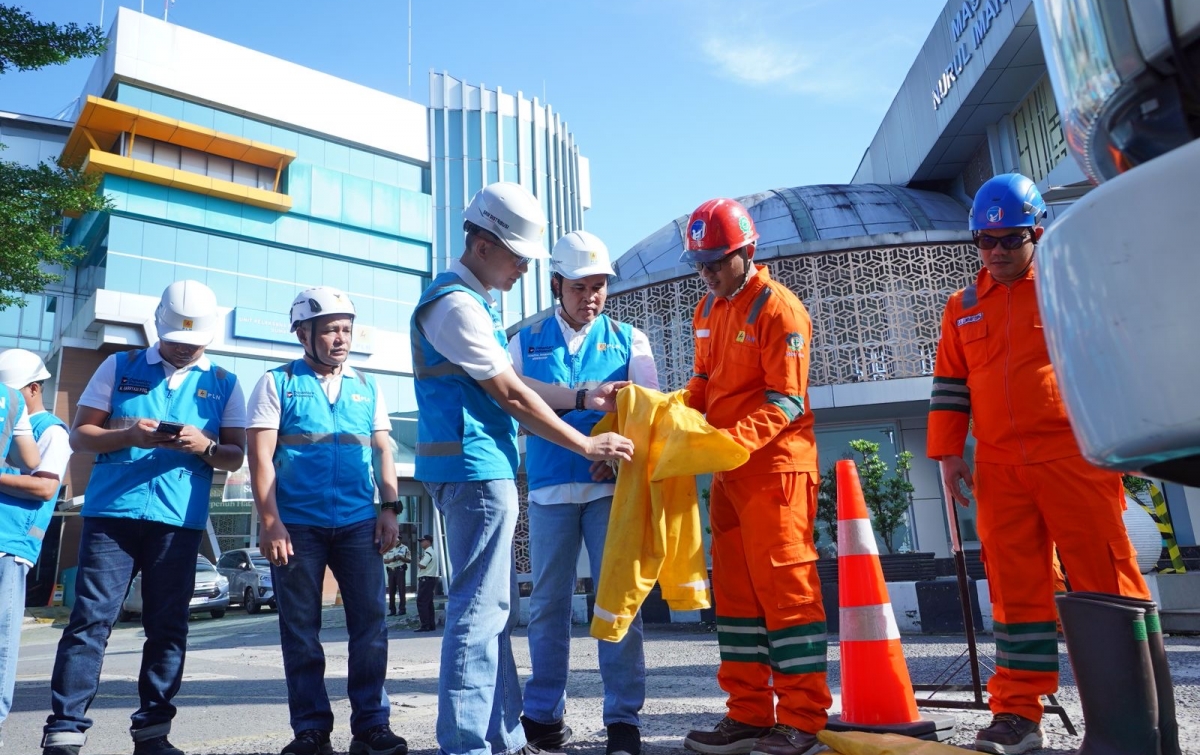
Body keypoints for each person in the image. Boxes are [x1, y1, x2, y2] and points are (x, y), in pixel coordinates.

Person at [927, 173, 1152, 754]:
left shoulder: (1069, 287)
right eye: (986, 240)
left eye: (1010, 239)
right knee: (1013, 591)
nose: (997, 251)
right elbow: (951, 387)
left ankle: (1132, 718)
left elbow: (1113, 362)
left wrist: (1126, 438)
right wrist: (950, 454)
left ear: (1036, 233)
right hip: (999, 470)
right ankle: (1017, 716)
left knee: (1107, 580)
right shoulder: (963, 307)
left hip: (1075, 459)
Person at [410, 181, 634, 755]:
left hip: (482, 471)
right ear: (484, 243)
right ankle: (466, 744)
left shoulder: (473, 304)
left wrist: (581, 401)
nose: (521, 271)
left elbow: (517, 390)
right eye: (518, 258)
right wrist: (586, 446)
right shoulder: (456, 305)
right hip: (475, 474)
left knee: (495, 613)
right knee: (479, 618)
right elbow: (511, 394)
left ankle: (505, 737)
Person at [41, 280, 247, 755]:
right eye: (176, 339)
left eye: (193, 343)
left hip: (179, 520)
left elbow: (234, 456)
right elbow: (81, 436)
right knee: (90, 621)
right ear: (158, 327)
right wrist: (130, 434)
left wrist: (207, 447)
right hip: (112, 515)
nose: (183, 349)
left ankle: (153, 734)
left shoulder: (223, 383)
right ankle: (65, 730)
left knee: (168, 626)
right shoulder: (120, 365)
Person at [678, 199, 830, 755]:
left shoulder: (779, 311)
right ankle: (747, 714)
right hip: (729, 475)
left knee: (787, 595)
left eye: (717, 261)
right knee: (738, 599)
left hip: (776, 472)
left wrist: (727, 444)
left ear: (746, 252)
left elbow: (786, 403)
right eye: (701, 264)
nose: (709, 272)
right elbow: (701, 387)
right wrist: (664, 415)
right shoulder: (708, 310)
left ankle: (802, 719)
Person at [509, 231, 657, 755]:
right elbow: (519, 405)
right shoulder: (523, 343)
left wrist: (618, 459)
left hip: (607, 491)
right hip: (549, 489)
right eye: (580, 286)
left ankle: (623, 721)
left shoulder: (629, 340)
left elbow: (650, 414)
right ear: (556, 285)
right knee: (548, 605)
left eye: (598, 286)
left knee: (618, 602)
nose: (591, 296)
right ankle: (544, 716)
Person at [246, 286, 407, 755]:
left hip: (359, 522)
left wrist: (390, 508)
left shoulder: (366, 384)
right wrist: (270, 521)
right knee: (300, 629)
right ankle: (311, 731)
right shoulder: (276, 382)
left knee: (371, 627)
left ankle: (372, 725)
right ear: (303, 333)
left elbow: (383, 450)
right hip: (297, 528)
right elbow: (260, 459)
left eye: (347, 329)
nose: (341, 339)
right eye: (331, 330)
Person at [0, 349, 53, 743]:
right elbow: (38, 470)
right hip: (7, 543)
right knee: (2, 639)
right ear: (33, 386)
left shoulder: (55, 429)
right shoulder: (13, 402)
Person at [414, 534, 438, 632]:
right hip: (430, 579)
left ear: (428, 541)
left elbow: (422, 565)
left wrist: (419, 561)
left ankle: (425, 625)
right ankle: (431, 624)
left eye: (422, 541)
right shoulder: (431, 552)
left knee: (422, 602)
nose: (421, 543)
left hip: (426, 580)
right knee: (428, 603)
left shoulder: (428, 553)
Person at [383, 539, 410, 615]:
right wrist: (394, 558)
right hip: (391, 571)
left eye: (397, 541)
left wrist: (401, 558)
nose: (395, 542)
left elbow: (409, 560)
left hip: (400, 570)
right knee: (391, 591)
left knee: (402, 590)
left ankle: (402, 609)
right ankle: (392, 610)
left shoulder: (405, 548)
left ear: (400, 541)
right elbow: (385, 561)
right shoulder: (388, 548)